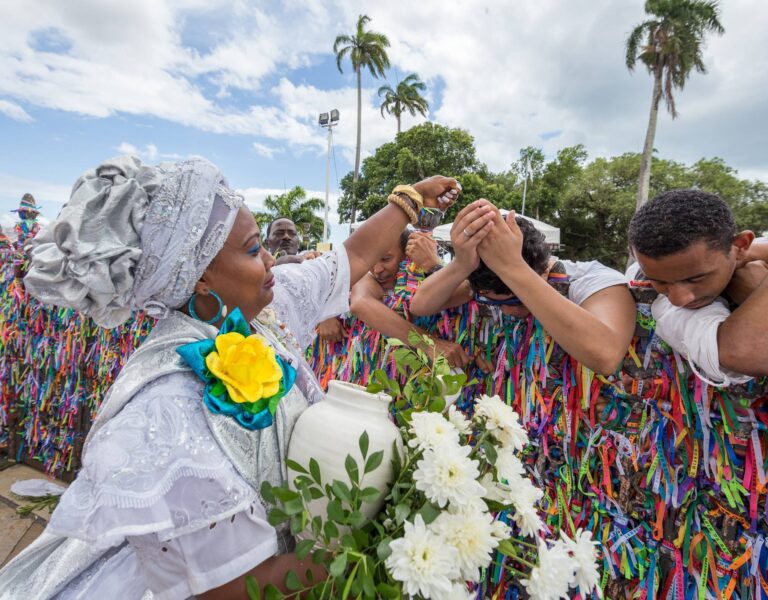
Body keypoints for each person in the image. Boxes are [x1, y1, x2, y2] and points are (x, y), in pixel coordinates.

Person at [0, 155, 461, 599]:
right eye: (252, 248)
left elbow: (352, 255)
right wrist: (386, 538)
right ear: (199, 277)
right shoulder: (166, 407)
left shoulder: (267, 313)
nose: (271, 262)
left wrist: (410, 199)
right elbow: (231, 586)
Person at [410, 201, 636, 375]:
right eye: (492, 301)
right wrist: (461, 264)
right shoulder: (488, 279)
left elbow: (606, 357)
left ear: (540, 271)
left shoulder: (592, 279)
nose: (507, 311)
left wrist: (513, 268)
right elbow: (421, 305)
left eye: (514, 300)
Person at [628, 188, 768, 384]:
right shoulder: (650, 295)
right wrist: (755, 291)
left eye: (695, 279)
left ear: (741, 246)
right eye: (659, 281)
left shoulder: (735, 250)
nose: (678, 299)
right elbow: (747, 352)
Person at [348, 229, 471, 368]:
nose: (376, 270)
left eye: (386, 259)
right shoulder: (366, 278)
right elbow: (360, 303)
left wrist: (433, 265)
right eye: (371, 259)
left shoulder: (429, 277)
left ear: (407, 255)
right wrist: (431, 344)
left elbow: (468, 289)